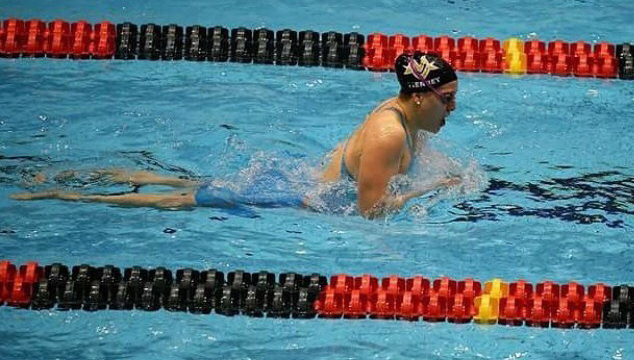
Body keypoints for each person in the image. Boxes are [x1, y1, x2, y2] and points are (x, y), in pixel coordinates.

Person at [11, 51, 459, 218]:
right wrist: (429, 191)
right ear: (421, 95)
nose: (452, 108)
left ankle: (72, 178)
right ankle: (57, 195)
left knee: (188, 186)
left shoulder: (409, 116)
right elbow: (370, 214)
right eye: (447, 98)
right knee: (180, 200)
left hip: (296, 179)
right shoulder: (389, 134)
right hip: (292, 196)